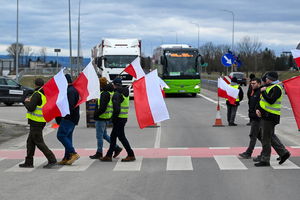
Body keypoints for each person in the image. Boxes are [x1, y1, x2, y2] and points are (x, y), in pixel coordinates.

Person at [254, 71, 291, 167]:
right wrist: (258, 109)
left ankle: (265, 159)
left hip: (270, 116)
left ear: (270, 79)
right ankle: (283, 153)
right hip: (266, 115)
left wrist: (263, 91)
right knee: (269, 136)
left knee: (265, 138)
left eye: (266, 78)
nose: (265, 79)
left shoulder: (277, 88)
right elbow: (262, 101)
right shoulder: (270, 86)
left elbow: (270, 100)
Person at [19, 78, 57, 169]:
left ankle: (52, 159)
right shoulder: (44, 94)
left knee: (39, 142)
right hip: (40, 121)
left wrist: (25, 101)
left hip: (36, 122)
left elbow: (31, 108)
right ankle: (28, 162)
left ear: (35, 85)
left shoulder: (37, 94)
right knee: (30, 142)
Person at [101, 78, 135, 162]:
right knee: (113, 136)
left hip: (119, 118)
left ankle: (131, 154)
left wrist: (113, 118)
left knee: (121, 137)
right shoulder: (125, 92)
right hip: (123, 117)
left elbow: (116, 109)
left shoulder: (117, 94)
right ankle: (109, 155)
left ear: (114, 85)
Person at [89, 77, 123, 159]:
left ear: (100, 85)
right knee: (104, 135)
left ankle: (99, 152)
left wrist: (96, 114)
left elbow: (103, 107)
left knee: (99, 136)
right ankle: (116, 147)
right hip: (106, 117)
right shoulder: (107, 92)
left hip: (101, 117)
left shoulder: (104, 93)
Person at [56, 74, 80, 165]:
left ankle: (73, 153)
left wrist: (64, 115)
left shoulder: (70, 91)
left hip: (69, 117)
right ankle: (67, 157)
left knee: (61, 135)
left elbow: (69, 106)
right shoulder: (72, 90)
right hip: (73, 117)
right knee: (68, 137)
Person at [239, 78, 262, 158]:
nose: (252, 85)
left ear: (259, 84)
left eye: (254, 83)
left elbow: (260, 104)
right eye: (251, 83)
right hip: (253, 117)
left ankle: (248, 153)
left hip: (257, 118)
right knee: (261, 136)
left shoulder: (260, 92)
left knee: (253, 135)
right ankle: (281, 152)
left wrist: (256, 112)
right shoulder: (254, 92)